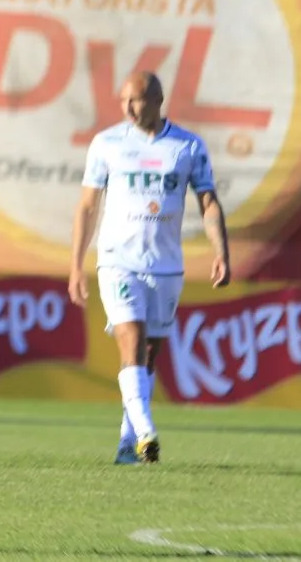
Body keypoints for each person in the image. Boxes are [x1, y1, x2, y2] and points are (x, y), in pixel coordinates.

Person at [68, 71, 230, 465]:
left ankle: (127, 445)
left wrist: (221, 251)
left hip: (165, 266)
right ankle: (146, 432)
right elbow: (88, 206)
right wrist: (76, 265)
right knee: (131, 338)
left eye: (136, 100)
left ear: (158, 99)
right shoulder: (107, 143)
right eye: (123, 100)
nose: (127, 108)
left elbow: (207, 201)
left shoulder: (187, 146)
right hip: (118, 261)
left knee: (149, 355)